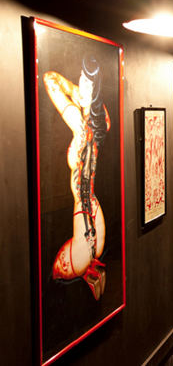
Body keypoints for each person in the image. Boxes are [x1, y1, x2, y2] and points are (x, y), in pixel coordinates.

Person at [45, 56, 110, 300]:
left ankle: (89, 275)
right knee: (85, 262)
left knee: (57, 273)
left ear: (94, 90)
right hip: (94, 208)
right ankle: (93, 275)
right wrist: (87, 95)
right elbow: (98, 108)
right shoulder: (100, 120)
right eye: (80, 80)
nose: (80, 84)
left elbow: (49, 79)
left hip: (82, 211)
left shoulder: (77, 121)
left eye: (87, 82)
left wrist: (75, 91)